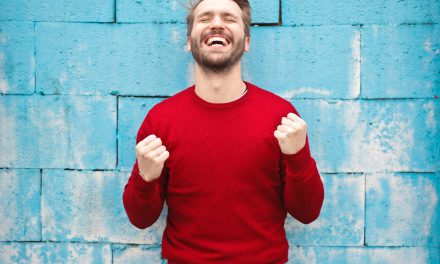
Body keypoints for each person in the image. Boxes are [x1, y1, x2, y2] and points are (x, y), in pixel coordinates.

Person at [122, 0, 325, 263]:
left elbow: (308, 212)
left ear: (247, 41)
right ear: (189, 41)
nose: (217, 23)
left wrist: (298, 158)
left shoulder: (281, 117)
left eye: (229, 19)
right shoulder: (161, 120)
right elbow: (140, 219)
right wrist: (145, 178)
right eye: (205, 18)